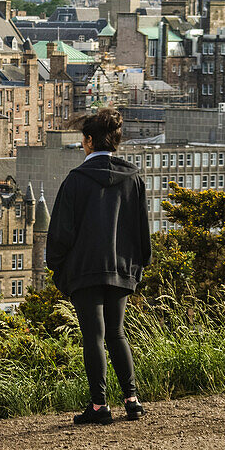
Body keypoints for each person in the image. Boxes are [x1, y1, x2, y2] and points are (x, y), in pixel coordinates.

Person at [46, 108, 151, 425]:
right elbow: (141, 233)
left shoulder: (76, 181)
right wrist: (137, 267)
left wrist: (57, 268)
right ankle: (132, 400)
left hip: (85, 269)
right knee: (117, 333)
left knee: (93, 335)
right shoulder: (133, 178)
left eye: (83, 140)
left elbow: (61, 232)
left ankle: (98, 406)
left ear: (89, 141)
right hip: (120, 269)